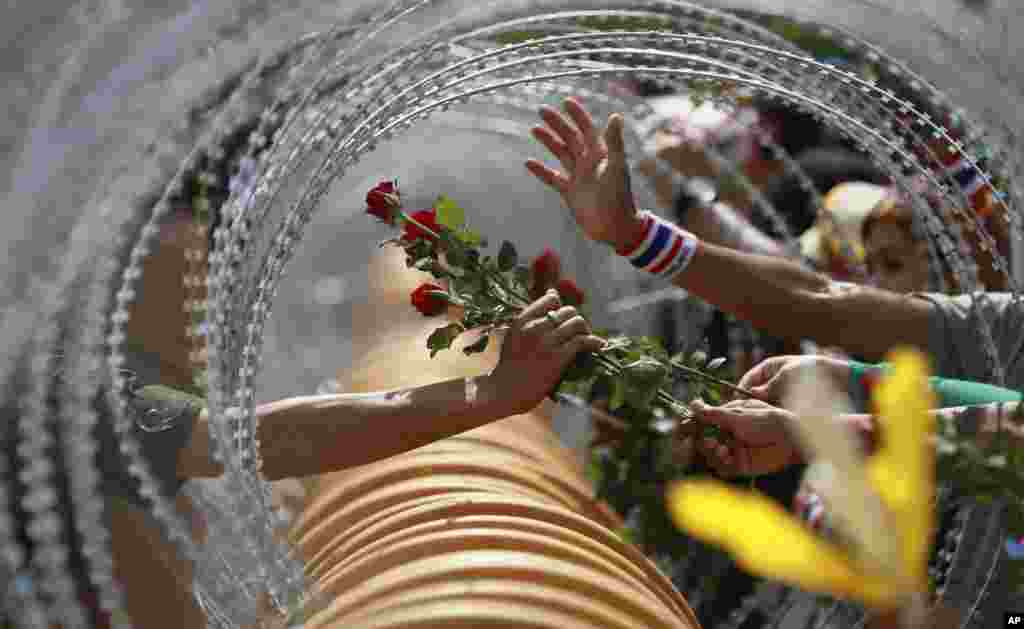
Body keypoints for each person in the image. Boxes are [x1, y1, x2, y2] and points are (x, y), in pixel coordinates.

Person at [523, 97, 1024, 388]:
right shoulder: (999, 329)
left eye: (893, 263)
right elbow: (817, 299)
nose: (877, 283)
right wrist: (634, 234)